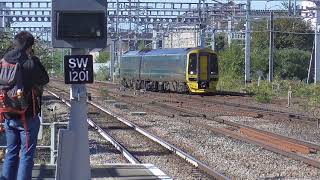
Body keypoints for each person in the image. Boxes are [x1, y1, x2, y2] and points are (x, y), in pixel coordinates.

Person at [0, 31, 49, 180]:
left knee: (11, 153)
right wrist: (33, 58)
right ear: (30, 46)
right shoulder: (29, 63)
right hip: (26, 117)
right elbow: (44, 79)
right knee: (26, 156)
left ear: (16, 43)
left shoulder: (4, 61)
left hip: (8, 115)